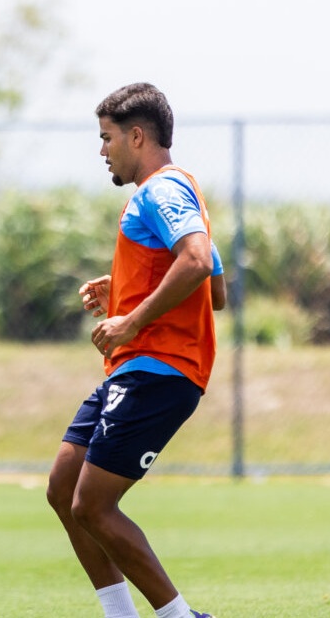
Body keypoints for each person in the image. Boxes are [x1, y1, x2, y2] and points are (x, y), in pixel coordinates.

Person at [45, 83, 224, 618]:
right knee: (63, 488)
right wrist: (124, 286)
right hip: (138, 369)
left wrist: (130, 319)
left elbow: (194, 263)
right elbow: (213, 289)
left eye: (107, 138)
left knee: (92, 506)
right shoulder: (181, 190)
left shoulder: (160, 192)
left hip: (158, 371)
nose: (102, 151)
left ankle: (179, 617)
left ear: (137, 135)